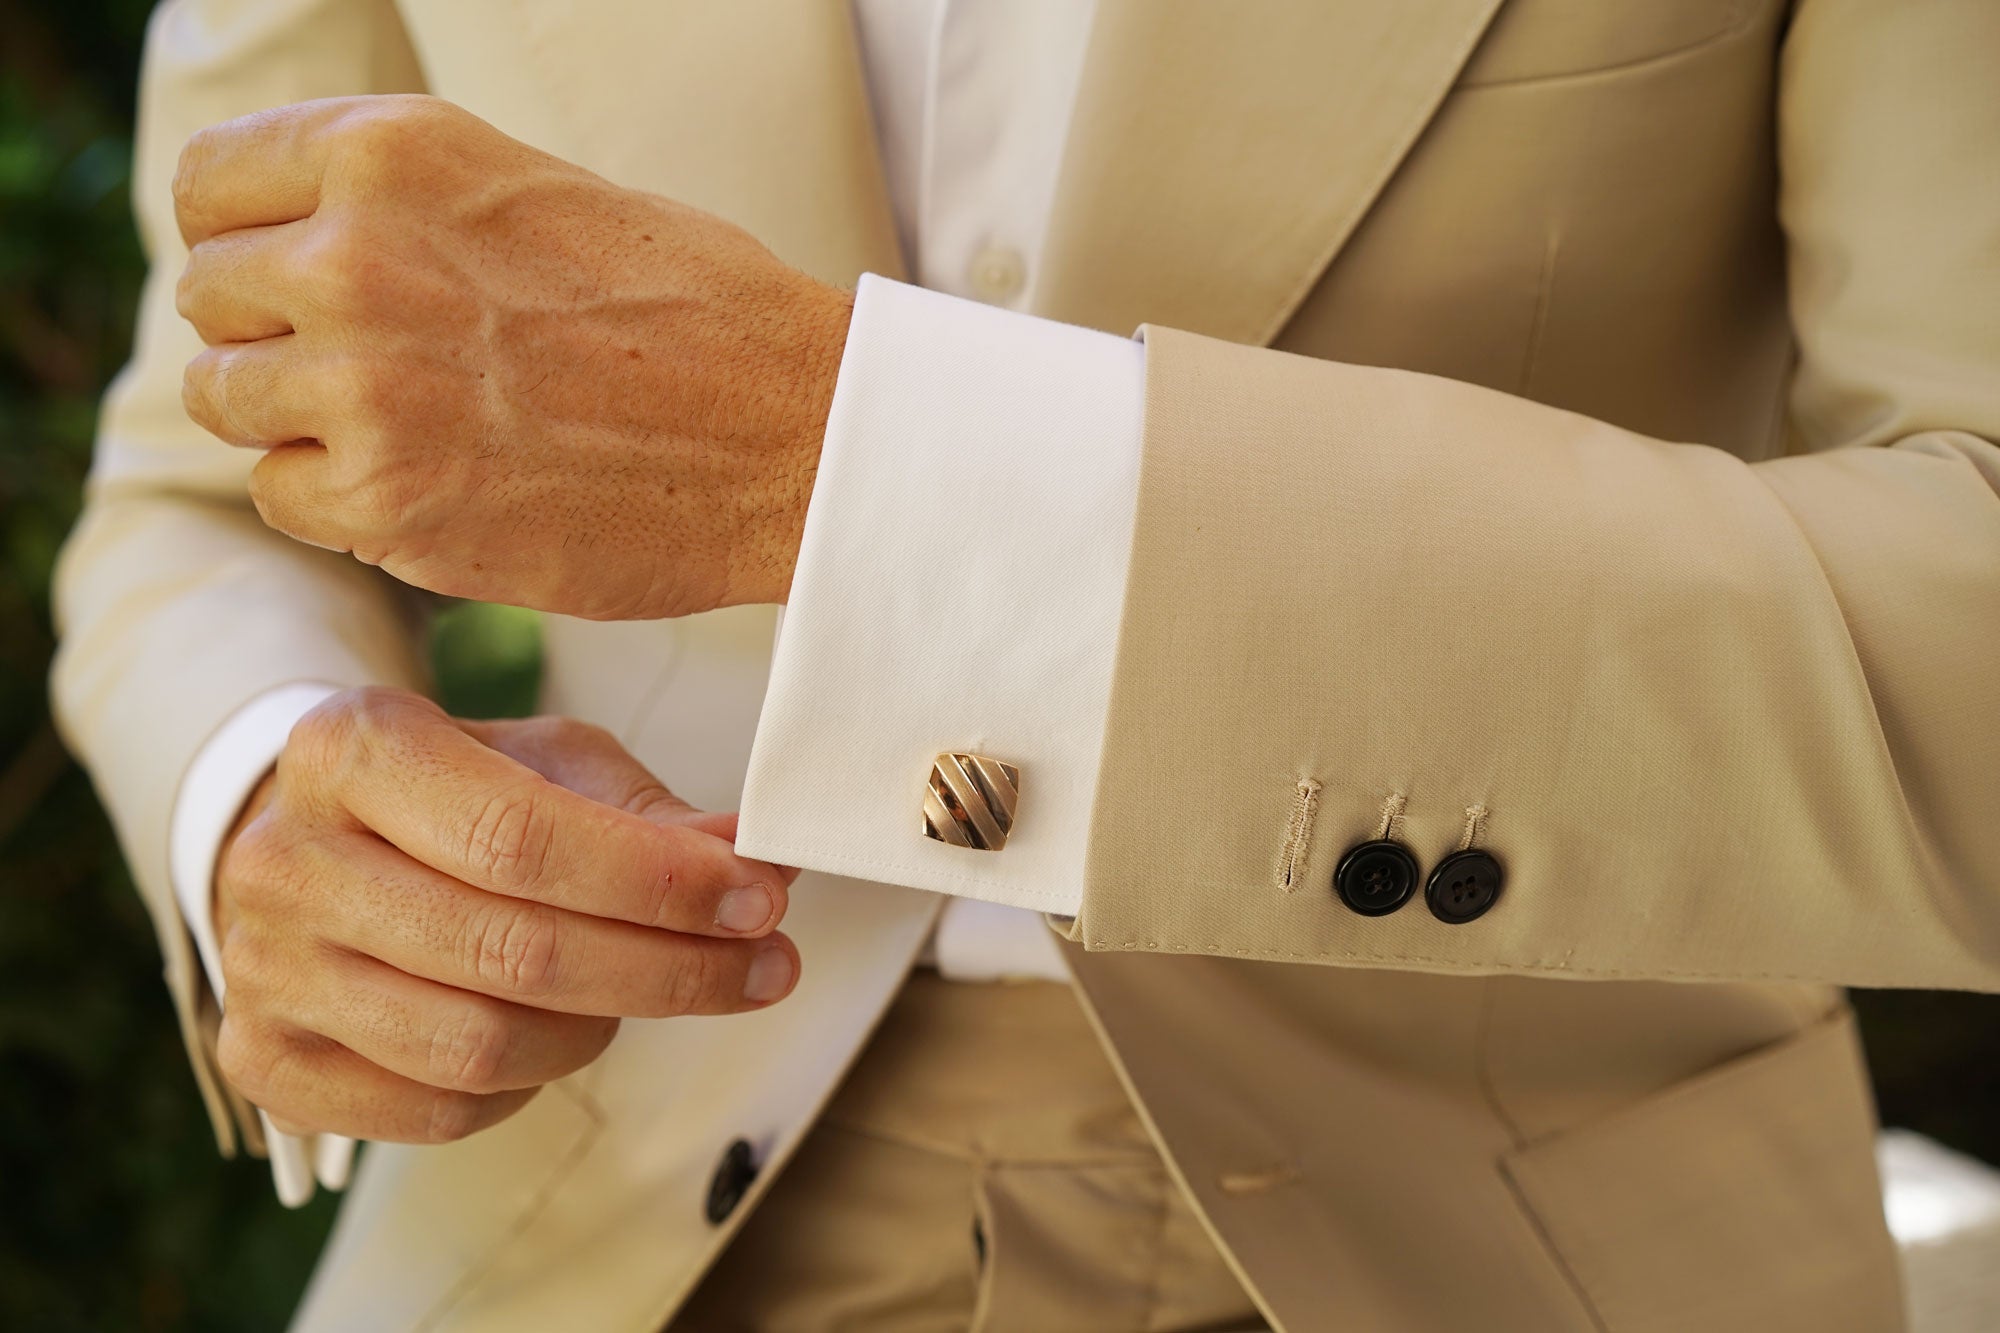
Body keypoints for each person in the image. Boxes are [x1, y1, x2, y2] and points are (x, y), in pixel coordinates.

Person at [51, 0, 1999, 1329]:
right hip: (599, 1206)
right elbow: (198, 485)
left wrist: (854, 461)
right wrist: (269, 787)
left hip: (1525, 1228)